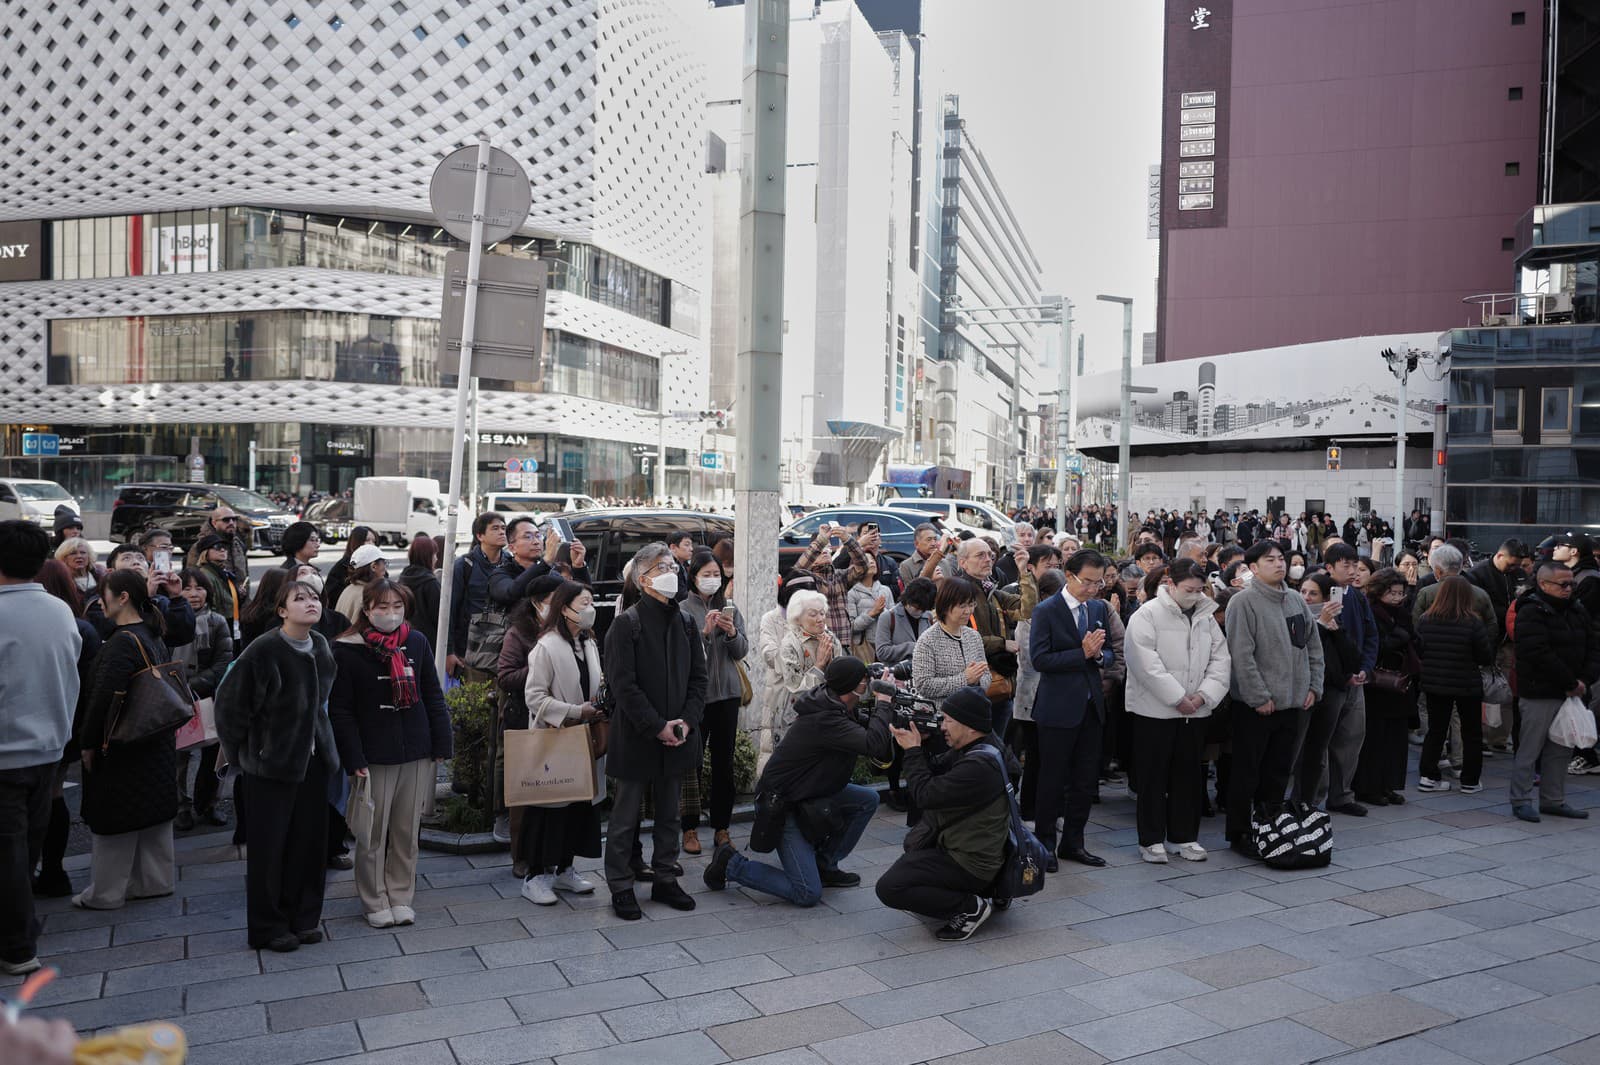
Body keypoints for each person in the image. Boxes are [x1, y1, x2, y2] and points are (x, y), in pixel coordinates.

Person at [215, 579, 340, 951]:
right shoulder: (264, 650)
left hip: (313, 761)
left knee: (310, 843)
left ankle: (303, 917)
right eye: (299, 599)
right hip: (270, 765)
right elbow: (230, 708)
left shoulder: (319, 645)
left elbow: (323, 697)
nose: (310, 603)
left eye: (314, 597)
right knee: (270, 849)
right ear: (282, 611)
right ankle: (269, 927)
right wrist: (247, 755)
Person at [704, 657, 891, 904]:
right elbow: (873, 744)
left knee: (867, 799)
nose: (868, 683)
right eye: (864, 680)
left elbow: (872, 734)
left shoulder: (835, 703)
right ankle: (730, 864)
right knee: (806, 892)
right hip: (783, 804)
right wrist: (884, 702)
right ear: (850, 688)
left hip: (811, 791)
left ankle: (824, 865)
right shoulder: (826, 718)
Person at [329, 579, 452, 929]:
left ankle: (400, 895)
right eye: (382, 607)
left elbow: (433, 693)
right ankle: (373, 899)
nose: (390, 614)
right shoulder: (347, 649)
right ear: (367, 609)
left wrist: (442, 744)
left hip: (415, 749)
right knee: (371, 832)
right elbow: (341, 711)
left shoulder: (416, 641)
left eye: (397, 607)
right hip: (373, 755)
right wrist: (354, 759)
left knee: (405, 830)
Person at [602, 543, 707, 920]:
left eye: (674, 565)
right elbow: (623, 687)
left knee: (670, 815)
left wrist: (686, 721)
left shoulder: (686, 622)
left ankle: (665, 877)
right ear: (643, 578)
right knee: (625, 817)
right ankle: (621, 885)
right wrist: (657, 725)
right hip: (636, 737)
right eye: (662, 566)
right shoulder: (625, 624)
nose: (673, 572)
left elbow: (699, 679)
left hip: (677, 735)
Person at [0, 522, 81, 974]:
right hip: (50, 747)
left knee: (10, 852)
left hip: (6, 751)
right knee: (24, 846)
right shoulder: (59, 611)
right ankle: (17, 933)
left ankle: (17, 946)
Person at [73, 570, 181, 911]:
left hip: (123, 742)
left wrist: (89, 743)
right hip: (156, 737)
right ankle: (155, 881)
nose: (99, 602)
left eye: (103, 595)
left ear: (122, 598)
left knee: (115, 815)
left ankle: (105, 892)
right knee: (153, 813)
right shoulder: (152, 631)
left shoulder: (121, 642)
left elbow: (103, 698)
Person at [874, 687, 1017, 941]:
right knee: (914, 852)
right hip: (985, 852)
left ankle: (970, 907)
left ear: (971, 726)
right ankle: (990, 890)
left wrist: (912, 751)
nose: (942, 726)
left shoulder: (979, 766)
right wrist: (922, 745)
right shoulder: (986, 746)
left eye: (949, 720)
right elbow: (938, 769)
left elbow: (925, 795)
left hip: (971, 862)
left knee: (890, 887)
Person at [1124, 559, 1230, 864]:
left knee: (1189, 776)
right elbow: (1145, 662)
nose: (1195, 595)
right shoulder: (1147, 614)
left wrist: (1203, 696)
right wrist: (1177, 696)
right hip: (1154, 711)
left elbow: (1221, 660)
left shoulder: (1206, 615)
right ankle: (1151, 839)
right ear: (1171, 584)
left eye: (1199, 590)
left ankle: (1184, 836)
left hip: (1195, 710)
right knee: (1153, 776)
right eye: (1189, 589)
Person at [1222, 542, 1323, 858]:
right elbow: (1241, 655)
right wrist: (1257, 696)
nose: (1280, 564)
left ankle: (1271, 826)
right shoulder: (1243, 602)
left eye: (1282, 558)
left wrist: (1313, 687)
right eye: (1271, 560)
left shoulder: (1294, 599)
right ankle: (1239, 833)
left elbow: (1313, 648)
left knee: (1279, 771)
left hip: (1292, 704)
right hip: (1255, 707)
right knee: (1247, 772)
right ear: (1253, 568)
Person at [515, 579, 606, 904]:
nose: (589, 609)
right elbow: (534, 696)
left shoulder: (588, 642)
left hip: (585, 738)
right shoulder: (547, 646)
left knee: (581, 807)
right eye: (583, 603)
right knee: (549, 809)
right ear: (564, 608)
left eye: (590, 601)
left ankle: (566, 869)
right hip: (555, 739)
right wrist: (573, 710)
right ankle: (535, 876)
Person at [1028, 549, 1115, 869]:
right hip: (1057, 707)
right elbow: (1041, 660)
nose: (1093, 589)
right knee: (1052, 780)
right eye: (1088, 582)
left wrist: (1099, 656)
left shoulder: (1097, 608)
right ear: (1069, 576)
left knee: (1084, 780)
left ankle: (1074, 843)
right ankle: (1045, 844)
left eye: (1099, 582)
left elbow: (1108, 652)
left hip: (1091, 706)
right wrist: (1081, 653)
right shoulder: (1046, 611)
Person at [1508, 561, 1600, 822]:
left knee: (1561, 749)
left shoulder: (1577, 609)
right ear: (1544, 584)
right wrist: (1571, 682)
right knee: (1530, 749)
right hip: (1540, 692)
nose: (1569, 588)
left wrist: (1583, 679)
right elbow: (1537, 653)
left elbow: (1593, 646)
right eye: (1563, 584)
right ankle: (1521, 800)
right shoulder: (1531, 610)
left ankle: (1553, 800)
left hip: (1571, 691)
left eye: (1572, 583)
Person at [678, 551, 748, 857]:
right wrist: (705, 635)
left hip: (728, 696)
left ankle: (722, 828)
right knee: (690, 765)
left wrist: (731, 632)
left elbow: (742, 650)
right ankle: (689, 828)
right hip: (696, 699)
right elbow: (682, 656)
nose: (712, 580)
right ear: (693, 577)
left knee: (724, 764)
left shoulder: (729, 607)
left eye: (716, 574)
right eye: (705, 574)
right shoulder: (682, 610)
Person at [1416, 575, 1492, 794]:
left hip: (1434, 682)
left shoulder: (1425, 620)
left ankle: (1428, 777)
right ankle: (1470, 780)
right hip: (1467, 683)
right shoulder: (1473, 622)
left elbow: (1420, 650)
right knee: (1471, 732)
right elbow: (1484, 656)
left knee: (1436, 730)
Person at [172, 568, 233, 831]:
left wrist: (195, 684)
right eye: (187, 588)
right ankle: (180, 807)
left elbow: (223, 660)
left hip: (207, 695)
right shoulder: (166, 618)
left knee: (213, 754)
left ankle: (209, 803)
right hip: (173, 696)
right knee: (178, 757)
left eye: (199, 587)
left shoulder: (217, 621)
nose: (194, 594)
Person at [1292, 573, 1359, 805]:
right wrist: (1319, 624)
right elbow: (1300, 651)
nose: (1307, 598)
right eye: (1303, 592)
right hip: (1305, 691)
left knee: (1317, 751)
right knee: (1298, 751)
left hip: (1332, 692)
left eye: (1313, 593)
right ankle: (1294, 802)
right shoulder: (1296, 616)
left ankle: (1307, 802)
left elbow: (1351, 659)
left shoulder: (1334, 620)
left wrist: (1335, 631)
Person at [1355, 568, 1419, 806]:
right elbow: (1375, 644)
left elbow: (1413, 639)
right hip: (1378, 684)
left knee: (1396, 740)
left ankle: (1389, 785)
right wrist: (1400, 638)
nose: (1396, 597)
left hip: (1401, 684)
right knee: (1375, 738)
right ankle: (1369, 787)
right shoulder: (1371, 611)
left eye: (1400, 593)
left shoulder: (1403, 613)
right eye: (1391, 592)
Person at [1321, 543, 1377, 817]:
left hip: (1356, 679)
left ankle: (1342, 794)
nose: (1354, 571)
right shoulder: (1317, 592)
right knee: (1321, 742)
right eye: (1347, 565)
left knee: (1352, 737)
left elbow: (1370, 635)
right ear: (1329, 567)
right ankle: (1312, 796)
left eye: (1356, 565)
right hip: (1329, 681)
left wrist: (1365, 667)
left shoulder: (1358, 597)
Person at [777, 589, 847, 743]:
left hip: (830, 713)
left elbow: (840, 676)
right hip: (798, 717)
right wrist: (820, 665)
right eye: (813, 614)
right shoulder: (789, 645)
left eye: (822, 613)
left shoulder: (830, 638)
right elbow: (797, 690)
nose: (820, 619)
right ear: (798, 619)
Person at [758, 574, 815, 759]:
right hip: (780, 694)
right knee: (778, 753)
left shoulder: (816, 618)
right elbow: (770, 655)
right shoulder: (771, 619)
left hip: (811, 696)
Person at [912, 576, 991, 703]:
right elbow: (923, 685)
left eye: (971, 605)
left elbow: (986, 675)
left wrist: (978, 679)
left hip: (972, 713)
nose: (968, 611)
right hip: (943, 717)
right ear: (945, 606)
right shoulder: (928, 640)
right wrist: (965, 679)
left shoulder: (973, 636)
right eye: (962, 606)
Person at [789, 522, 871, 644]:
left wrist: (848, 540)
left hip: (843, 643)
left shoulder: (840, 576)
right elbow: (796, 572)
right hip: (817, 644)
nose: (825, 551)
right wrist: (820, 540)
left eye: (827, 547)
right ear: (813, 556)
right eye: (821, 549)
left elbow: (863, 566)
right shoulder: (807, 579)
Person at [447, 512, 508, 677]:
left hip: (504, 648)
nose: (502, 532)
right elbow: (449, 610)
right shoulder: (464, 565)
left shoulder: (510, 563)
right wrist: (449, 651)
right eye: (495, 528)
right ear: (480, 535)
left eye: (503, 528)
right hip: (470, 649)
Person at [1466, 539, 1530, 641]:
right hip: (1489, 632)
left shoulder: (1520, 573)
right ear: (1500, 556)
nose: (1513, 568)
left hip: (1515, 631)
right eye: (1510, 565)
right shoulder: (1477, 574)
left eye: (1518, 565)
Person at [194, 533, 245, 643]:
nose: (223, 550)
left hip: (232, 623)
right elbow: (210, 606)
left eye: (225, 547)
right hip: (220, 627)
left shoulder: (224, 572)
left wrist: (238, 595)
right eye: (217, 547)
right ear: (205, 552)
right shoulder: (205, 574)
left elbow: (228, 600)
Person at [875, 576, 935, 667]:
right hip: (897, 673)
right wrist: (911, 647)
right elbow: (882, 652)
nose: (918, 611)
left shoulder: (928, 616)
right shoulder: (888, 617)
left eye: (922, 609)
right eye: (916, 607)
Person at [846, 552, 893, 660]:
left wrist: (883, 611)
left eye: (873, 559)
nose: (872, 562)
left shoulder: (885, 590)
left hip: (886, 645)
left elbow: (894, 621)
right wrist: (873, 612)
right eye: (867, 560)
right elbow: (851, 627)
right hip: (864, 648)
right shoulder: (852, 593)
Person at [397, 534, 442, 648]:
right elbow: (439, 618)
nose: (436, 558)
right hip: (428, 642)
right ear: (427, 556)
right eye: (434, 554)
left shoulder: (403, 578)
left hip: (404, 636)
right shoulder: (431, 583)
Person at [202, 506, 253, 599]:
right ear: (214, 523)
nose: (231, 523)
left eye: (234, 519)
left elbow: (245, 576)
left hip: (240, 605)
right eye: (226, 520)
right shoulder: (203, 544)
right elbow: (194, 577)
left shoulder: (238, 543)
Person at [324, 526, 378, 612]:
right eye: (367, 540)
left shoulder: (377, 564)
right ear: (356, 542)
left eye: (374, 541)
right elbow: (331, 597)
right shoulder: (342, 567)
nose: (372, 544)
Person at [335, 543, 388, 623]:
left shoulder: (349, 589)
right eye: (384, 563)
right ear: (373, 566)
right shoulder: (367, 595)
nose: (385, 568)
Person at [900, 524, 942, 588]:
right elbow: (909, 595)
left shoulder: (944, 562)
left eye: (935, 539)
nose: (933, 543)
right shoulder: (906, 566)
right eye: (929, 540)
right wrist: (929, 581)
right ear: (916, 544)